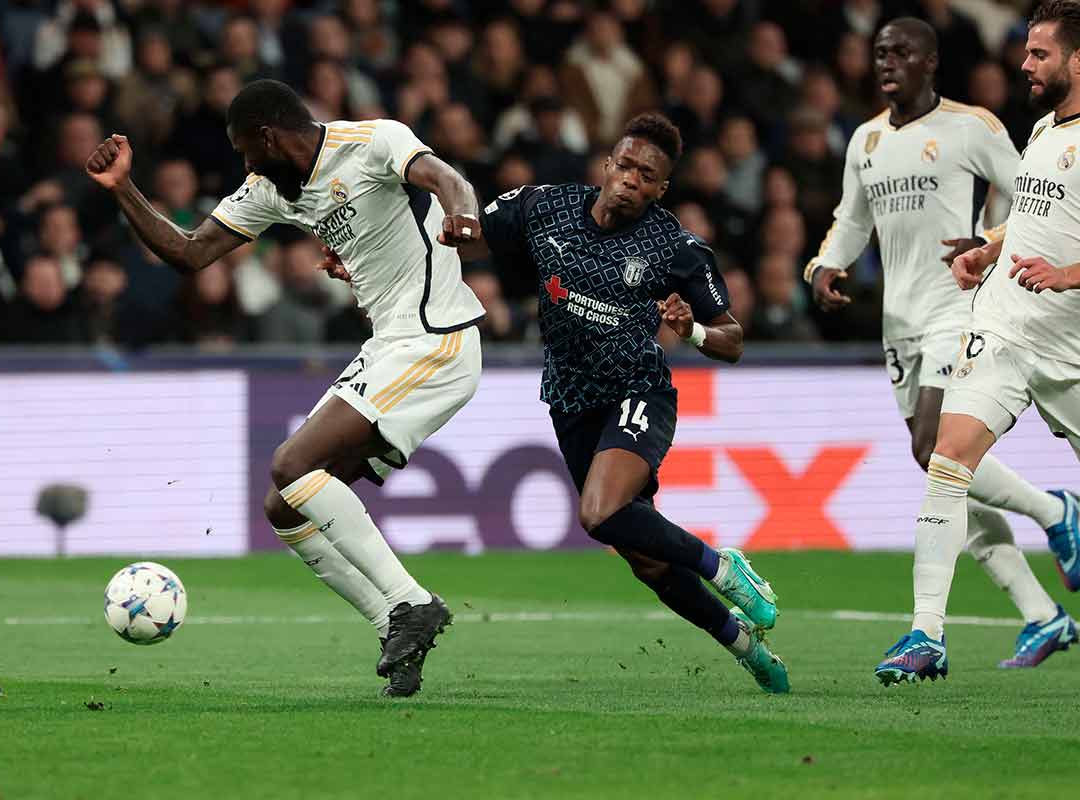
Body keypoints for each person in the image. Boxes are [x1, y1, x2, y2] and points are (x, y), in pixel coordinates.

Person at [85, 79, 485, 697]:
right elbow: (190, 253)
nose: (245, 165)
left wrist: (462, 214)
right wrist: (123, 188)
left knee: (292, 465)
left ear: (268, 137)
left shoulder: (373, 142)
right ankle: (392, 626)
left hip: (436, 339)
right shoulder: (273, 190)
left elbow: (446, 179)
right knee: (285, 504)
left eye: (245, 150)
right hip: (392, 344)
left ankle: (412, 603)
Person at [435, 112, 788, 692]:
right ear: (606, 164)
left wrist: (692, 330)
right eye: (625, 165)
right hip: (570, 400)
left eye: (647, 175)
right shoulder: (544, 207)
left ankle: (725, 567)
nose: (631, 179)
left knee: (598, 513)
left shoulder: (674, 248)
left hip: (637, 390)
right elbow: (468, 239)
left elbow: (733, 341)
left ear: (660, 189)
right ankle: (742, 644)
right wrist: (398, 255)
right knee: (644, 559)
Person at [804, 17, 1080, 680]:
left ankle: (1055, 519)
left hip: (1033, 334)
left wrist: (1067, 273)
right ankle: (931, 632)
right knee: (944, 459)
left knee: (936, 452)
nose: (1024, 65)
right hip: (986, 323)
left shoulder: (974, 128)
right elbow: (1028, 217)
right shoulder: (1040, 131)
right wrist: (987, 248)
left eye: (1039, 53)